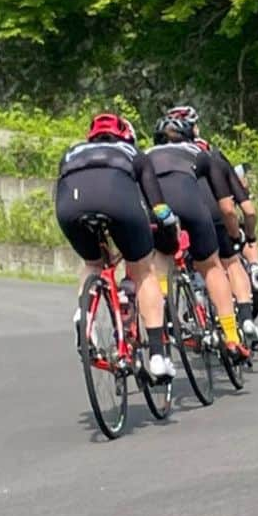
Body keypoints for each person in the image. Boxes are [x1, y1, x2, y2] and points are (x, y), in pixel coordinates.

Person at [55, 113, 178, 381]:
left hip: (69, 207)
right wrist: (170, 225)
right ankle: (157, 356)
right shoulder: (133, 154)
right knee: (143, 271)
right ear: (126, 136)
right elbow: (159, 208)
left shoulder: (71, 152)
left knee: (93, 263)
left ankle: (84, 314)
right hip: (117, 203)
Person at [146, 116, 247, 361]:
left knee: (161, 259)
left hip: (155, 204)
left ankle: (164, 315)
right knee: (212, 267)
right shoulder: (201, 153)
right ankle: (232, 337)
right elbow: (222, 202)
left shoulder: (145, 154)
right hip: (190, 203)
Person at [163, 105, 258, 351]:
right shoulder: (210, 154)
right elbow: (239, 208)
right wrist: (245, 236)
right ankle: (245, 319)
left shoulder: (160, 154)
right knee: (228, 262)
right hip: (211, 210)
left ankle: (175, 316)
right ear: (194, 128)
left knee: (172, 262)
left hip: (172, 210)